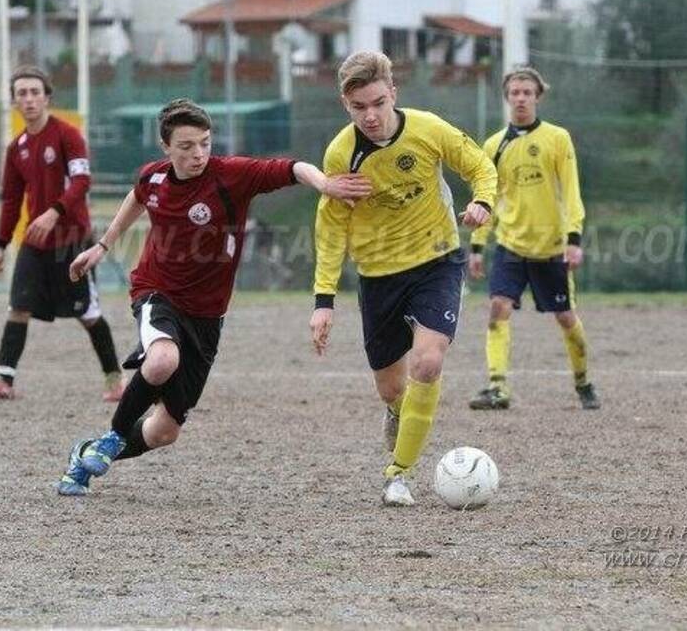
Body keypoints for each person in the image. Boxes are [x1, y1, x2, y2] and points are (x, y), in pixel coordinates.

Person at [54, 98, 370, 496]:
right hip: (157, 291)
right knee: (163, 358)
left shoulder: (230, 175)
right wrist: (103, 245)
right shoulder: (153, 177)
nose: (198, 153)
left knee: (164, 431)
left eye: (204, 142)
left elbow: (291, 168)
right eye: (186, 146)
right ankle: (113, 435)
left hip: (207, 314)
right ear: (166, 147)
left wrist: (324, 183)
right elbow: (139, 195)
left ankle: (85, 454)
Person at [310, 50, 498, 507]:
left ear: (393, 93)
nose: (370, 116)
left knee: (428, 364)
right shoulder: (342, 153)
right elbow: (331, 227)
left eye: (378, 102)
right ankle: (399, 411)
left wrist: (483, 204)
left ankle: (398, 474)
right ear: (345, 104)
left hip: (438, 262)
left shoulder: (429, 129)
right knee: (392, 388)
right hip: (377, 277)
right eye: (359, 107)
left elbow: (480, 166)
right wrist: (323, 300)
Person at [0, 65, 125, 402]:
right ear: (14, 102)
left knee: (87, 313)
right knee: (18, 306)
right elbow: (11, 201)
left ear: (47, 97)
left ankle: (115, 382)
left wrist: (54, 212)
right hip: (35, 243)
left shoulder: (68, 135)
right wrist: (0, 246)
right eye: (22, 93)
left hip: (72, 242)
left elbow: (83, 181)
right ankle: (4, 381)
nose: (28, 99)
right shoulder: (16, 149)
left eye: (34, 92)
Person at [467, 66, 600, 411]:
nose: (521, 98)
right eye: (515, 92)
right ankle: (498, 388)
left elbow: (571, 191)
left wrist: (574, 237)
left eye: (527, 92)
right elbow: (488, 198)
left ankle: (583, 381)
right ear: (507, 97)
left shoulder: (557, 138)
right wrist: (478, 245)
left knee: (566, 317)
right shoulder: (494, 145)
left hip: (552, 248)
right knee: (498, 307)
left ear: (538, 96)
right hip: (510, 246)